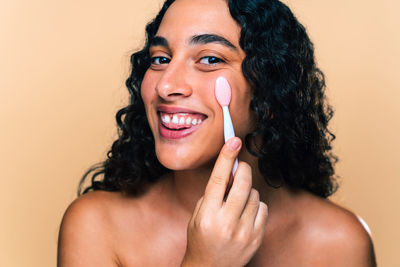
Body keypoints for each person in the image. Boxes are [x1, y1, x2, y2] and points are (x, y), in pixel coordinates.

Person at [57, 0, 376, 266]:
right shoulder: (96, 227)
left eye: (210, 59)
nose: (166, 85)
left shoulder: (340, 244)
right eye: (160, 59)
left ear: (271, 91)